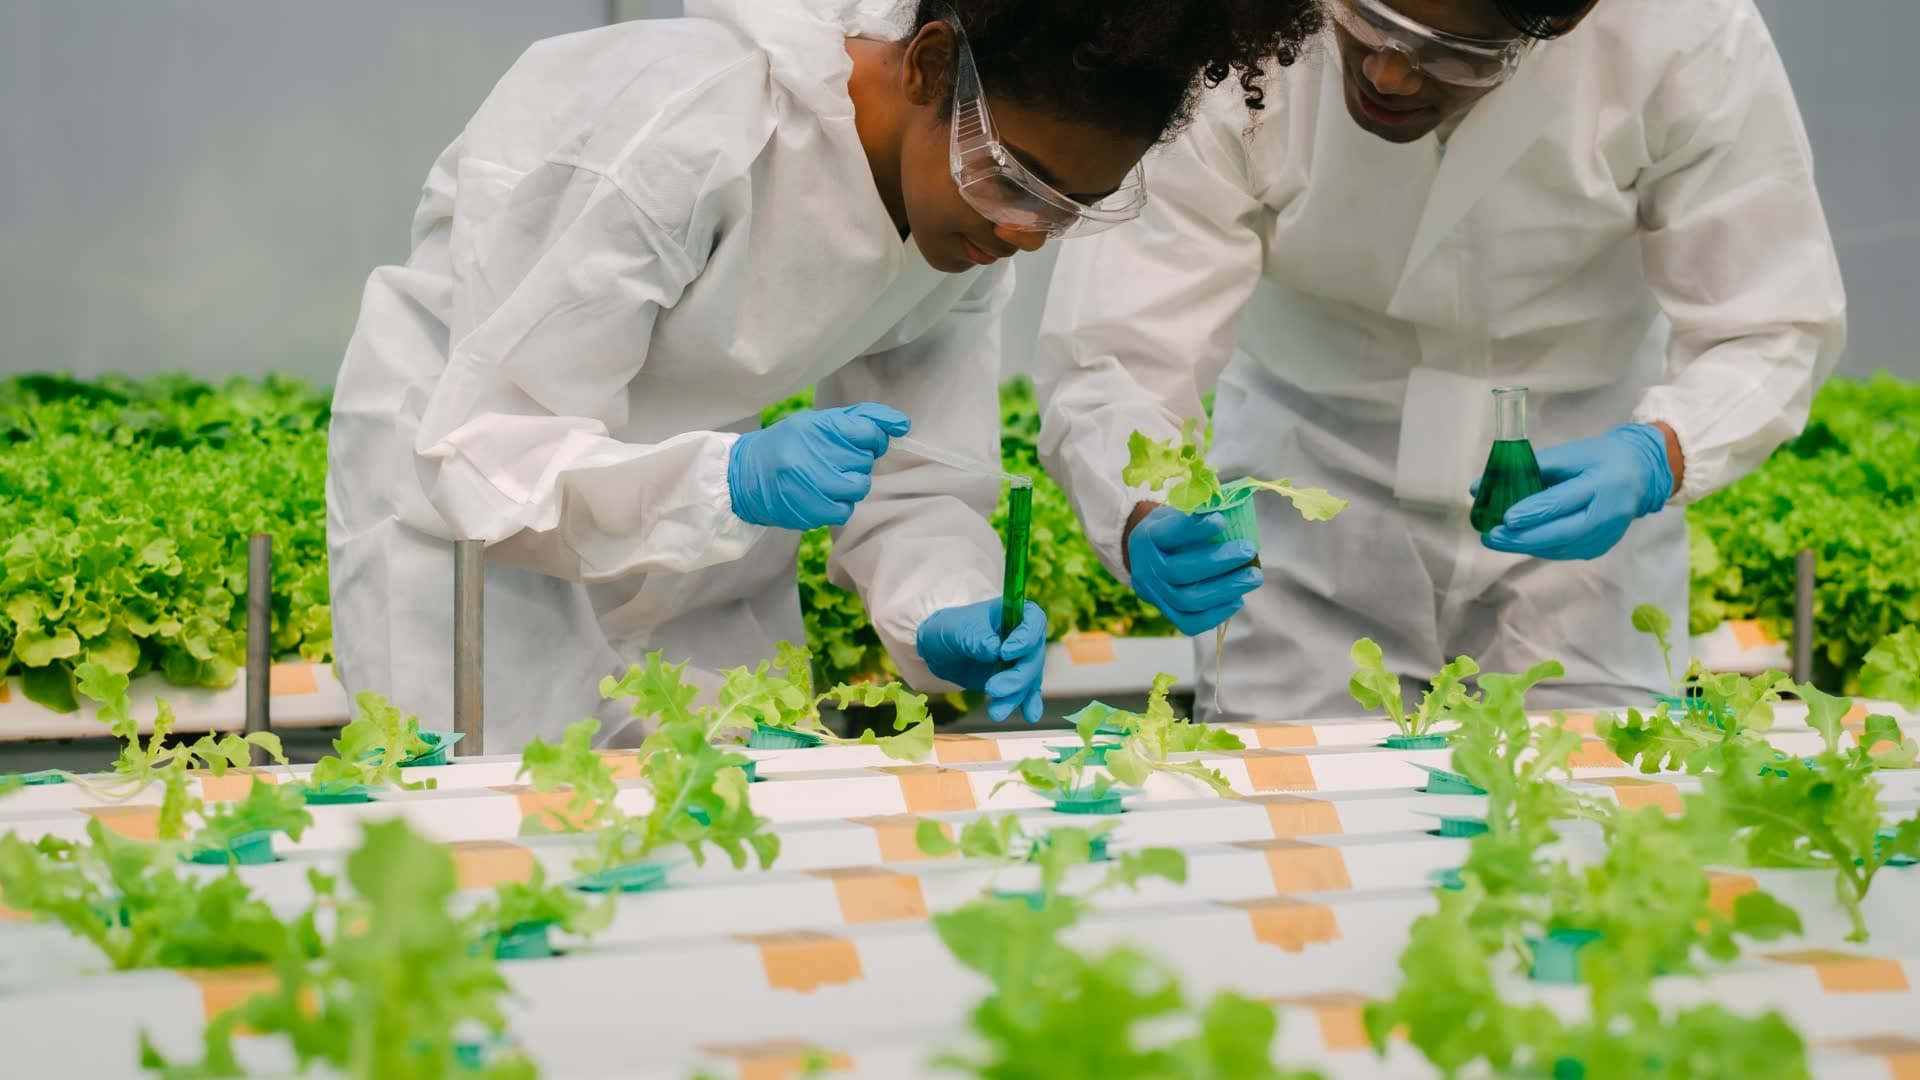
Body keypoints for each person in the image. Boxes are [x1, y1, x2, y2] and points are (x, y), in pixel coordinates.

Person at [327, 0, 1324, 749]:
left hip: (696, 550)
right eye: (1017, 180)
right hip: (472, 545)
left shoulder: (958, 228)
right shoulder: (682, 123)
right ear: (932, 65)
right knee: (507, 857)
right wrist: (729, 481)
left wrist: (944, 613)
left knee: (710, 865)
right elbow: (487, 450)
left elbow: (919, 477)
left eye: (1072, 206)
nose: (1025, 231)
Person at [1035, 0, 1846, 720]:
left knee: (1575, 836)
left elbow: (1769, 322)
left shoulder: (1682, 35)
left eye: (1448, 50)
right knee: (1314, 838)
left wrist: (1660, 452)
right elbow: (1120, 350)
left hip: (1575, 526)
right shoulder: (1238, 38)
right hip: (1310, 514)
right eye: (1364, 20)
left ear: (1555, 22)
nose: (1387, 72)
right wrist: (1140, 505)